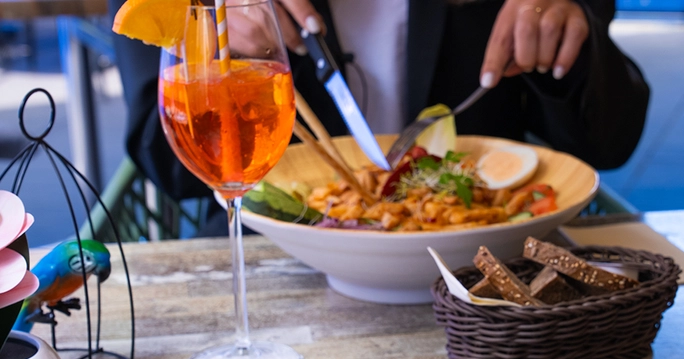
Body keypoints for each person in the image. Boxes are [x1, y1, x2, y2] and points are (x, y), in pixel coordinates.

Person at [108, 0, 650, 234]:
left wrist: (564, 32)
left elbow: (610, 140)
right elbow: (168, 164)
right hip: (273, 263)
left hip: (489, 279)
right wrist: (209, 42)